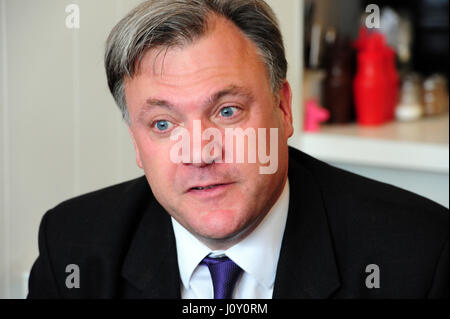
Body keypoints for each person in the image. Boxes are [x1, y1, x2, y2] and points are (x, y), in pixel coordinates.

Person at [28, 0, 448, 299]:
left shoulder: (419, 256)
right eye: (162, 124)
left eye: (227, 111)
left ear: (283, 109)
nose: (199, 152)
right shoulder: (71, 248)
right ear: (136, 142)